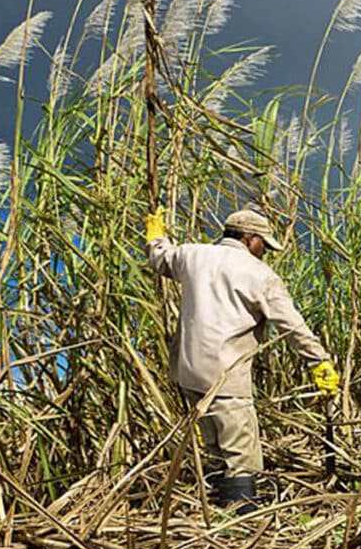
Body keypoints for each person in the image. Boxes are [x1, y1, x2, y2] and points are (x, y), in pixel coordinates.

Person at [144, 206, 340, 508]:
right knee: (241, 457)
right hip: (226, 376)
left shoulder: (191, 255)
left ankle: (217, 512)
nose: (265, 252)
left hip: (188, 372)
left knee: (214, 448)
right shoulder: (259, 274)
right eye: (264, 244)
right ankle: (242, 525)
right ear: (250, 239)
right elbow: (292, 326)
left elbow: (160, 258)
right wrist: (319, 360)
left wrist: (156, 236)